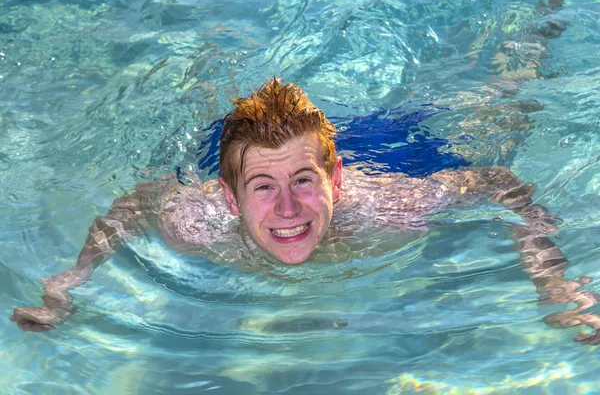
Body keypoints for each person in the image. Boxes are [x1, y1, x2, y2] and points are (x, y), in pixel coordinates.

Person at [9, 78, 600, 344]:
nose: (288, 209)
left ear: (334, 181)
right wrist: (71, 281)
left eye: (303, 184)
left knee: (507, 103)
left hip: (390, 151)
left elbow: (501, 183)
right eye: (263, 188)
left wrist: (550, 280)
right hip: (250, 147)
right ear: (228, 197)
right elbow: (130, 209)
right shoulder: (195, 220)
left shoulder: (394, 208)